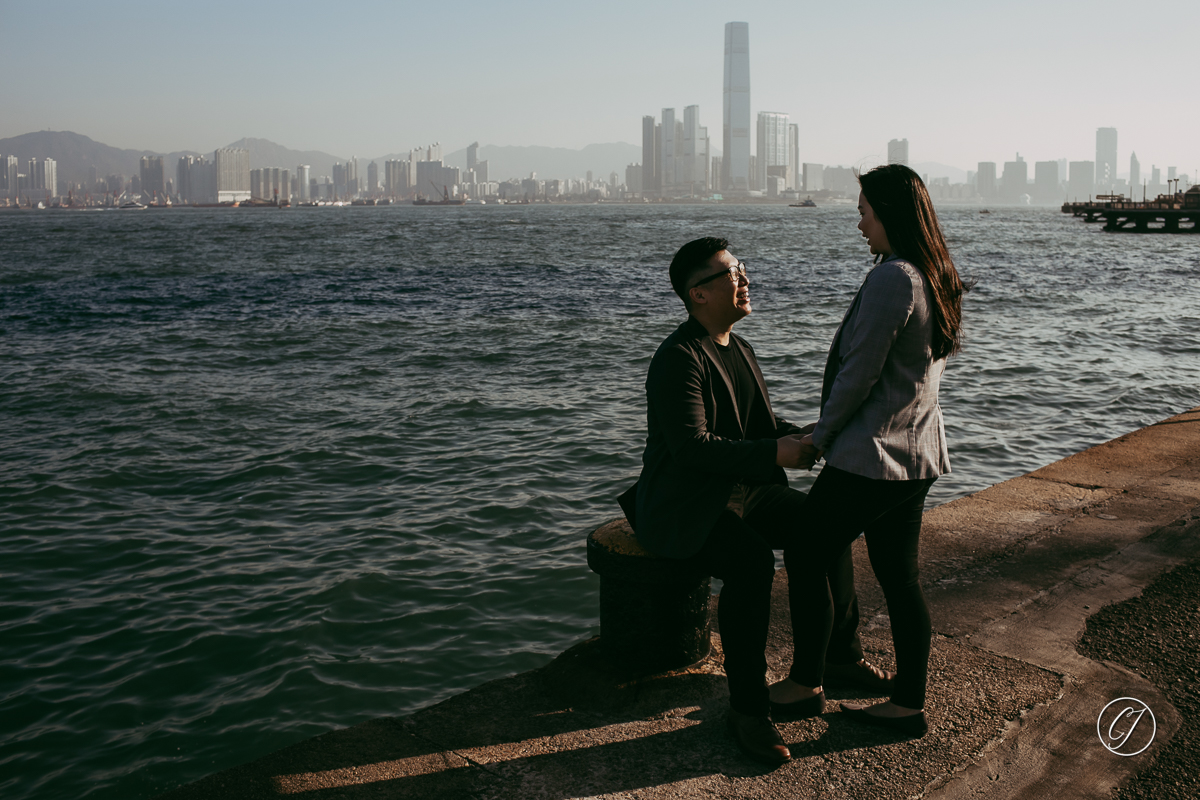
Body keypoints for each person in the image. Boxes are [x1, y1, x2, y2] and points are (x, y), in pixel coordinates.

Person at [619, 237, 895, 766]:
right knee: (749, 564)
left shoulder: (738, 348)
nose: (744, 278)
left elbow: (761, 430)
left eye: (742, 268)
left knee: (825, 525)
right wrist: (777, 452)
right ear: (698, 294)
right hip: (687, 506)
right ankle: (748, 709)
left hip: (745, 492)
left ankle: (835, 660)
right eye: (731, 273)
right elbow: (691, 449)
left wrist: (817, 435)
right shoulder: (679, 358)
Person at [768, 164, 968, 738]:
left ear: (890, 214)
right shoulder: (935, 273)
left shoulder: (894, 278)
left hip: (875, 455)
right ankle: (906, 703)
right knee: (898, 577)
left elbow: (860, 373)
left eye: (864, 212)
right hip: (917, 452)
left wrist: (820, 437)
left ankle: (807, 682)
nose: (859, 224)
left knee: (806, 549)